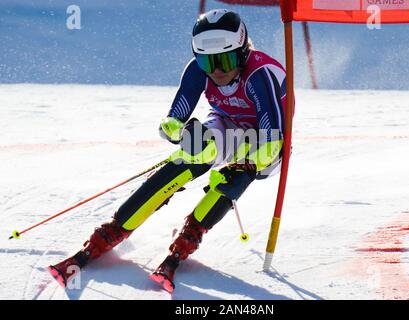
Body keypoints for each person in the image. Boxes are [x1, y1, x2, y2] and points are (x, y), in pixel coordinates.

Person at [48, 8, 290, 293]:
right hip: (227, 124)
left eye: (225, 60)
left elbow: (273, 137)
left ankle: (191, 235)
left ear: (243, 52)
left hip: (267, 139)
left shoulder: (258, 74)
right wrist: (179, 133)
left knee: (233, 177)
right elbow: (174, 118)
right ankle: (114, 229)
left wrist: (247, 162)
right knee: (191, 153)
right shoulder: (198, 70)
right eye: (207, 62)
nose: (217, 71)